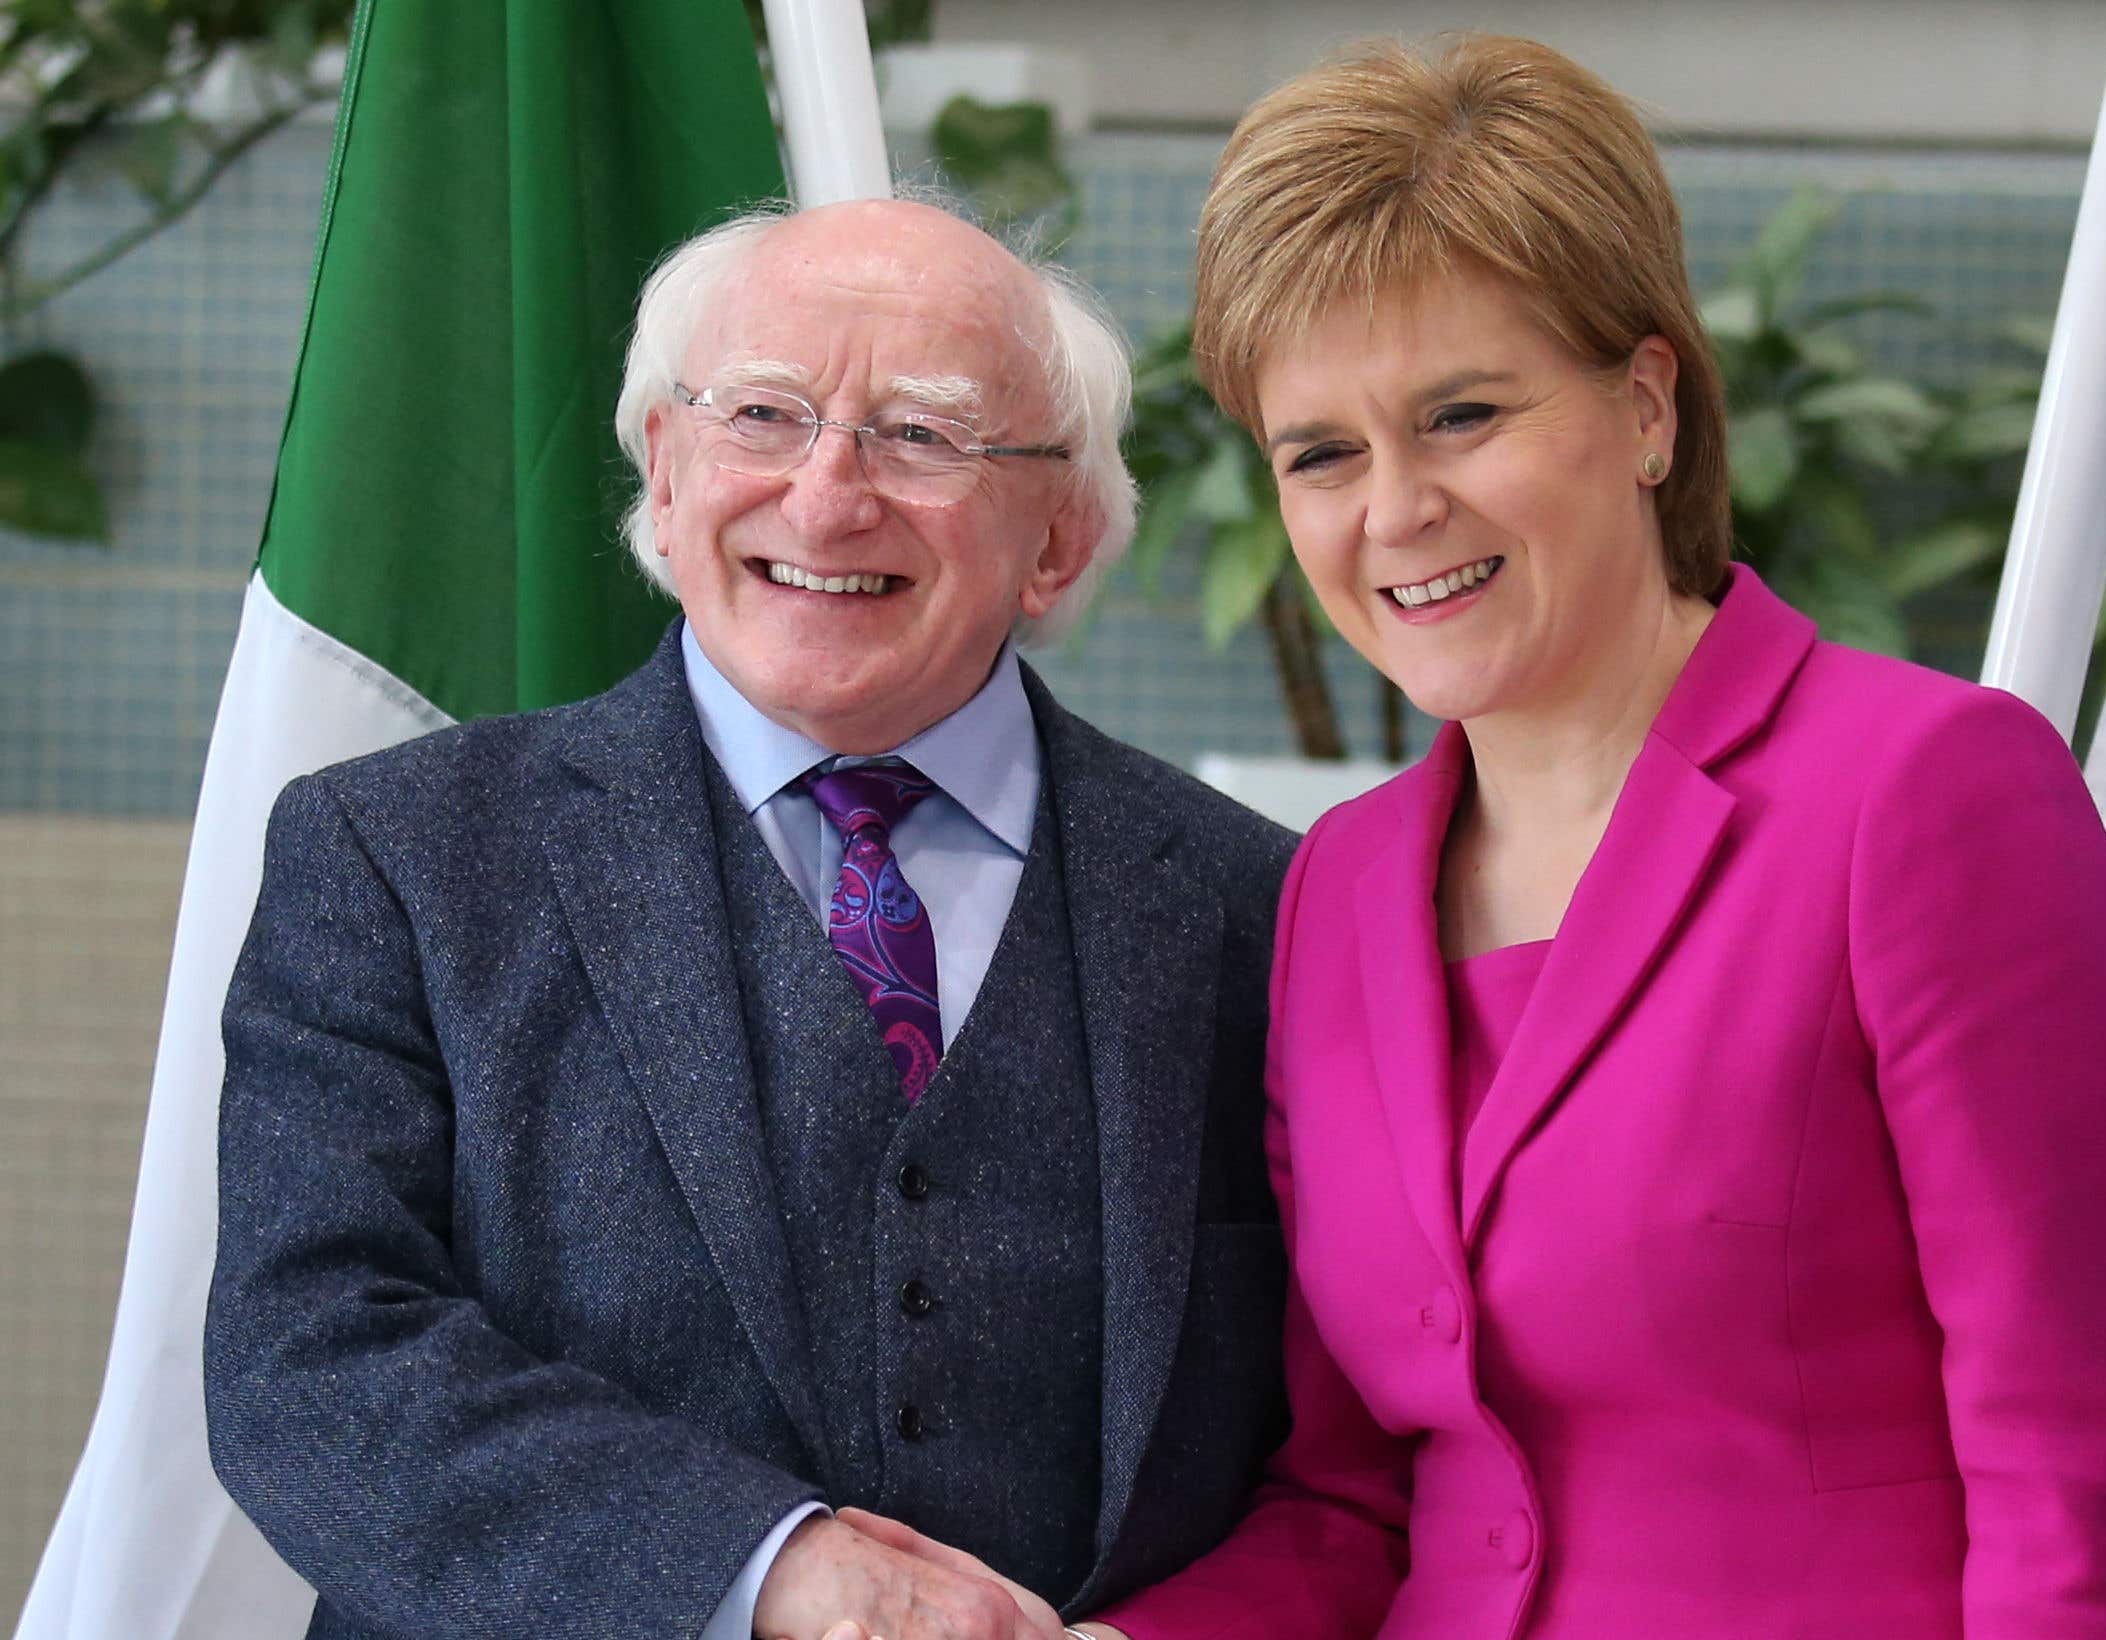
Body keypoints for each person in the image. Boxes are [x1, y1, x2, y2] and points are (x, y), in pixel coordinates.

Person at [845, 34, 2106, 1640]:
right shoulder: (1337, 889)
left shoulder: (1926, 795)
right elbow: (1364, 1503)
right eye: (1323, 454)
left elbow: (2076, 1483)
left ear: (1646, 406)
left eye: (1463, 414)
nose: (1397, 508)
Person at [203, 199, 1298, 1640]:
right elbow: (309, 1361)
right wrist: (767, 1566)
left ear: (1062, 534)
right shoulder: (396, 858)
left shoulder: (1261, 902)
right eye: (764, 415)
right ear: (665, 473)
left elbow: (1340, 1440)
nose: (829, 496)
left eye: (924, 435)